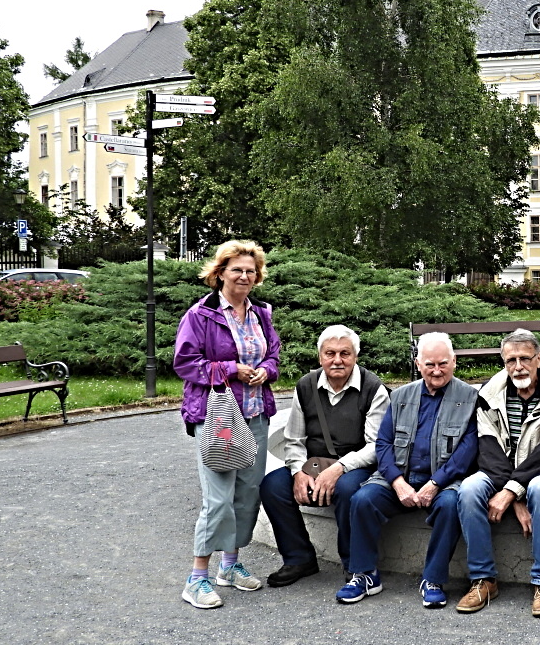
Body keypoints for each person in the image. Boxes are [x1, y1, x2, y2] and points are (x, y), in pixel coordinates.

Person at [174, 240, 281, 609]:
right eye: (237, 269)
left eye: (251, 270)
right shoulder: (200, 315)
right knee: (217, 499)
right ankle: (196, 578)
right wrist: (229, 369)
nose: (245, 276)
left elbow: (273, 356)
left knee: (247, 496)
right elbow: (185, 363)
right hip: (217, 416)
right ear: (219, 273)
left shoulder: (261, 314)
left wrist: (265, 371)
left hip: (255, 414)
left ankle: (229, 567)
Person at [336, 332, 478, 607]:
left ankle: (433, 578)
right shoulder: (400, 396)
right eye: (429, 364)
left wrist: (435, 483)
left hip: (444, 481)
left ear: (455, 361)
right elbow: (384, 443)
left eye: (443, 363)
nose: (436, 371)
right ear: (418, 363)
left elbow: (467, 451)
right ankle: (365, 574)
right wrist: (398, 482)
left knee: (451, 505)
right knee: (362, 499)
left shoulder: (470, 398)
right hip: (399, 477)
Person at [259, 325, 390, 587]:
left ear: (355, 356)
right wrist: (297, 472)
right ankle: (299, 559)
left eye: (345, 353)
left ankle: (354, 564)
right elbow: (294, 438)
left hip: (357, 464)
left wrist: (340, 468)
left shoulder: (374, 388)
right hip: (315, 463)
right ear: (320, 357)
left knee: (348, 490)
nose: (337, 360)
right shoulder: (306, 386)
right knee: (272, 486)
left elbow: (376, 445)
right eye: (330, 353)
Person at [457, 329, 540, 617]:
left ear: (539, 359)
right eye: (510, 360)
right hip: (500, 471)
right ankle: (483, 579)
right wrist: (515, 497)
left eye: (525, 359)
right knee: (468, 490)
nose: (518, 366)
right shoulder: (488, 395)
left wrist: (511, 491)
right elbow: (488, 449)